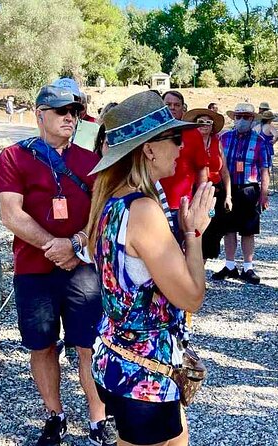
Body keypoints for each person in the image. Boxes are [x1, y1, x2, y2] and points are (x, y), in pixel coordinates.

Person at [86, 90, 214, 446]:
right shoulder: (142, 210)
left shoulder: (110, 202)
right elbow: (191, 296)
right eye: (174, 138)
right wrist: (194, 232)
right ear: (149, 149)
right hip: (144, 372)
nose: (181, 147)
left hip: (118, 359)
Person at [0, 85, 115, 446]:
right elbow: (10, 213)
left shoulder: (92, 161)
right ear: (39, 113)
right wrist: (54, 246)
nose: (69, 117)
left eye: (75, 111)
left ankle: (98, 417)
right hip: (34, 269)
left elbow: (102, 214)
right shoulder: (14, 157)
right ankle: (54, 414)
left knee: (88, 344)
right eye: (61, 109)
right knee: (42, 345)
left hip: (83, 269)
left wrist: (75, 243)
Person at [213, 103, 270, 284]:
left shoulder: (260, 141)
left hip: (248, 189)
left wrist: (264, 194)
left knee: (248, 230)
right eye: (238, 117)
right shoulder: (224, 138)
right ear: (234, 118)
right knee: (228, 228)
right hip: (228, 189)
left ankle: (248, 267)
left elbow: (264, 169)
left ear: (252, 119)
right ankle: (230, 265)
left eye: (246, 117)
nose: (242, 120)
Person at [184, 107, 232, 260]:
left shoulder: (217, 142)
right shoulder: (187, 141)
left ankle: (201, 269)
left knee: (211, 230)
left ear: (212, 126)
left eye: (208, 122)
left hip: (215, 192)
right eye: (200, 122)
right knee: (193, 229)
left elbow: (224, 170)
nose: (204, 124)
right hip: (194, 191)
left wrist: (228, 196)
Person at [159, 91, 209, 234]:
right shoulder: (152, 133)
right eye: (168, 104)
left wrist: (200, 201)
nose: (172, 108)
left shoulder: (193, 134)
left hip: (182, 205)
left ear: (183, 108)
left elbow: (201, 169)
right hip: (153, 201)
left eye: (177, 105)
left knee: (182, 248)